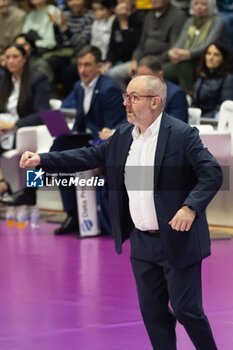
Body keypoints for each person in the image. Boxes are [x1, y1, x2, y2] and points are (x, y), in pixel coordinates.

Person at [20, 74, 222, 350]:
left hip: (178, 238)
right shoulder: (123, 135)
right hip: (142, 243)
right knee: (154, 315)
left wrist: (190, 207)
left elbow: (211, 173)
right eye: (126, 96)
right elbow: (88, 156)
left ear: (155, 102)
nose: (125, 102)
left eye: (133, 97)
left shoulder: (182, 134)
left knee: (187, 311)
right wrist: (43, 159)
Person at [2, 46, 126, 233]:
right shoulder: (78, 86)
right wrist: (65, 128)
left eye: (87, 65)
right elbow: (63, 111)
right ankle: (71, 214)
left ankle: (30, 191)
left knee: (60, 149)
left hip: (102, 142)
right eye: (80, 65)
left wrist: (104, 134)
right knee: (60, 145)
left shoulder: (109, 89)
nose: (82, 70)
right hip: (85, 137)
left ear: (99, 66)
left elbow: (113, 127)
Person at [0, 44, 50, 196]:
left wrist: (12, 125)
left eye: (15, 57)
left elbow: (44, 114)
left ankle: (3, 183)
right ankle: (3, 183)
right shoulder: (4, 80)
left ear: (25, 58)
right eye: (7, 57)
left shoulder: (38, 79)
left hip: (27, 132)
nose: (10, 61)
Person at [109, 0, 187, 90]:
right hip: (143, 59)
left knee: (143, 77)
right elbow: (141, 44)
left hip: (163, 62)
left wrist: (147, 63)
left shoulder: (178, 16)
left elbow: (173, 50)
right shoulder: (149, 15)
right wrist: (135, 60)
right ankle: (131, 99)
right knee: (113, 74)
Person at [162, 0, 225, 92]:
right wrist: (173, 52)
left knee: (184, 65)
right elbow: (181, 41)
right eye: (196, 4)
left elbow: (208, 45)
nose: (199, 7)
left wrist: (189, 54)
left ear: (211, 7)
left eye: (203, 4)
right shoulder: (190, 20)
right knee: (162, 70)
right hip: (184, 59)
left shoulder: (217, 21)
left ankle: (187, 95)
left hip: (202, 60)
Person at [192, 41, 233, 119]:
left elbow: (225, 107)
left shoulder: (228, 79)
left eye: (216, 55)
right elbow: (194, 102)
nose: (211, 58)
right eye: (208, 53)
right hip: (199, 116)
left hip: (216, 118)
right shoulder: (201, 76)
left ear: (223, 59)